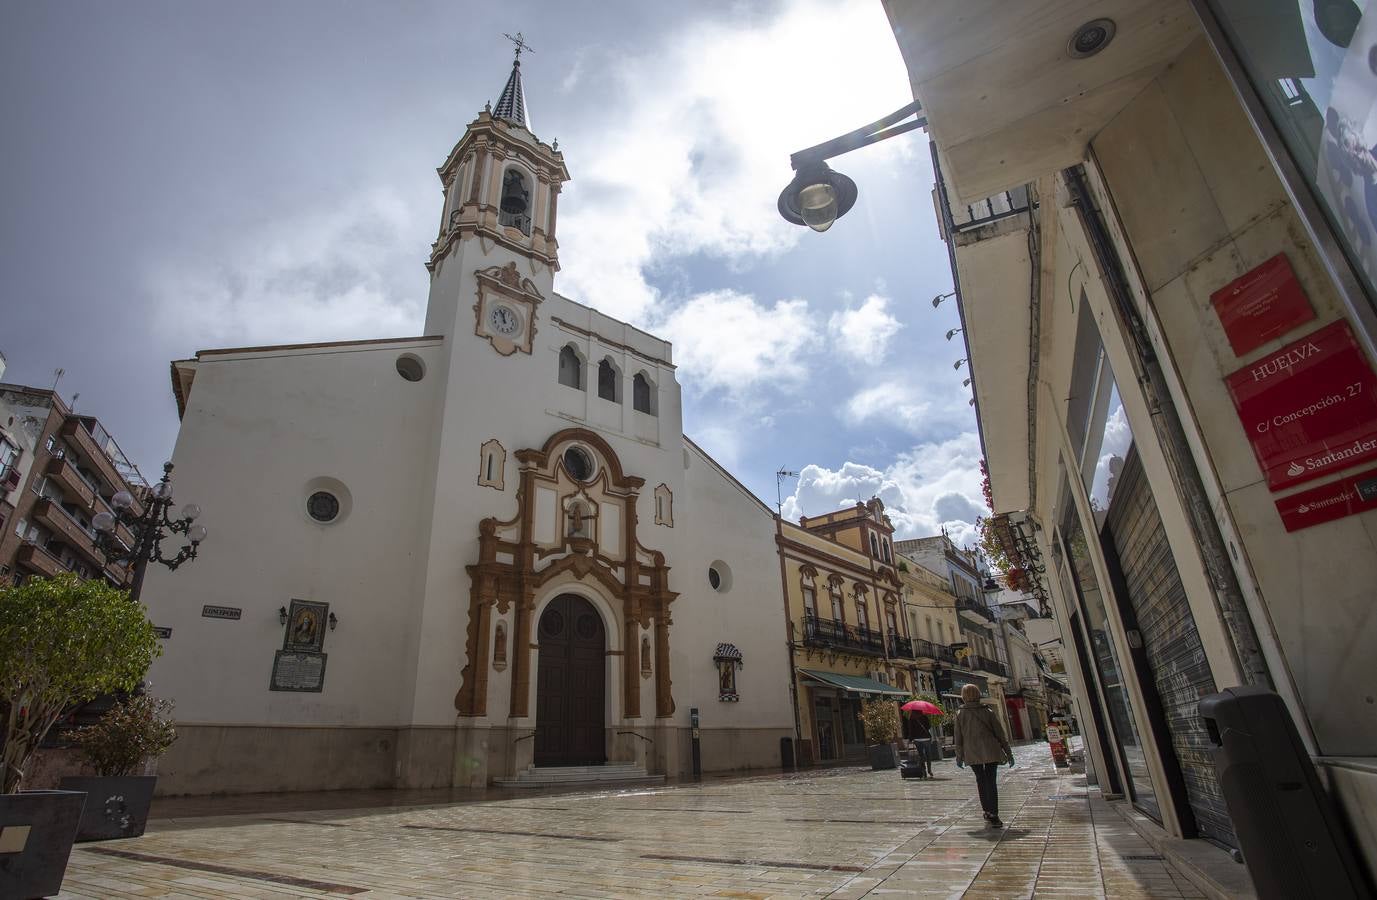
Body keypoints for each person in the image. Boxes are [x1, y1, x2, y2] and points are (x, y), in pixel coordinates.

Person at [953, 683, 1014, 828]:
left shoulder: (960, 714)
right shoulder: (988, 711)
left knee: (980, 780)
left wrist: (959, 756)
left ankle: (987, 811)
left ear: (963, 696)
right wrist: (1008, 752)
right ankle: (994, 813)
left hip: (972, 752)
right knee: (991, 781)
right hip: (990, 750)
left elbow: (958, 738)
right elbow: (999, 733)